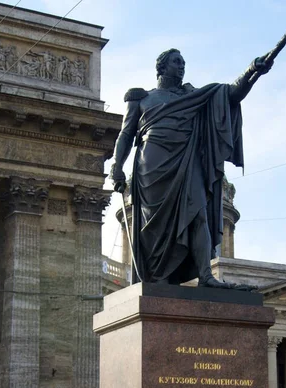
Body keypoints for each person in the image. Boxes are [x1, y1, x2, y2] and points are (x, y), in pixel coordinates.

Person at [110, 49, 273, 287]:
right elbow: (126, 134)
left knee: (198, 214)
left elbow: (230, 95)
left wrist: (253, 71)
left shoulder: (194, 96)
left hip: (187, 160)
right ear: (162, 67)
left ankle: (205, 275)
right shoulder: (142, 98)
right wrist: (117, 166)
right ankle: (159, 278)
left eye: (184, 63)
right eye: (177, 62)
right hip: (152, 164)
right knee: (154, 225)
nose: (182, 66)